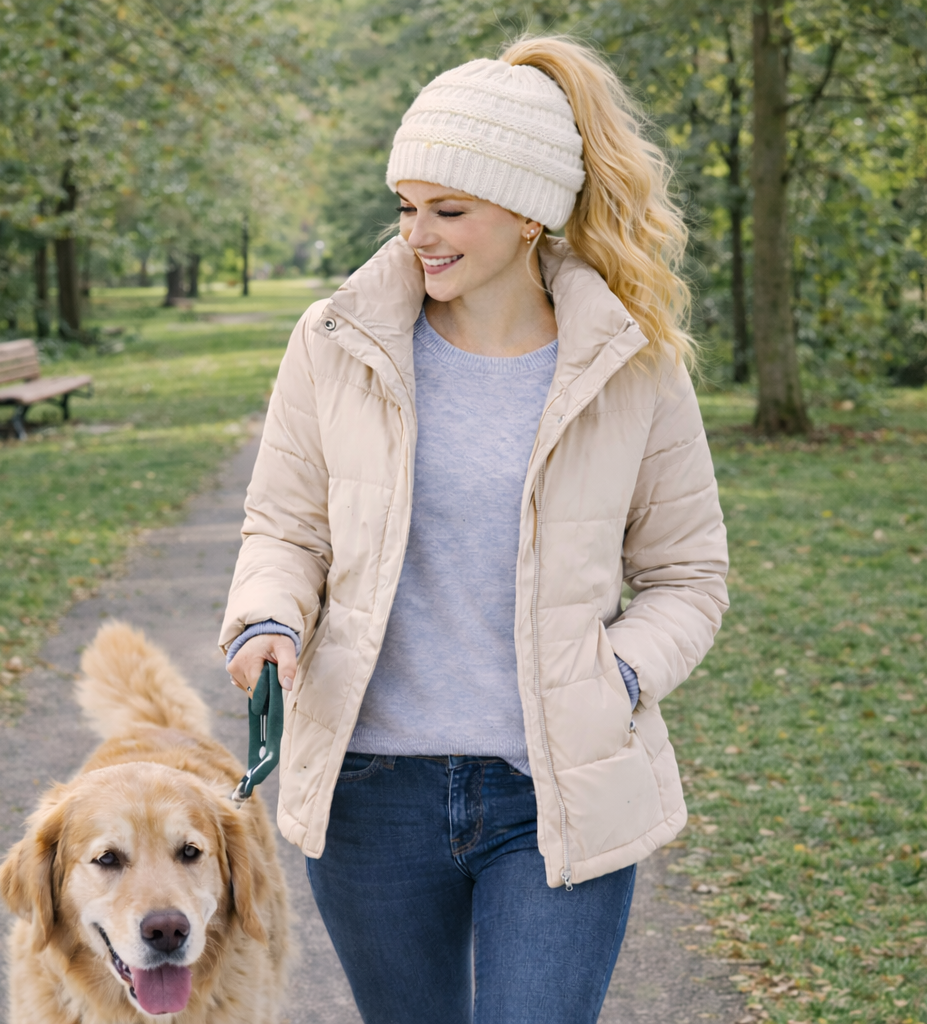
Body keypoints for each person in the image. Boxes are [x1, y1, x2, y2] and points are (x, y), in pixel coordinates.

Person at [220, 35, 729, 1024]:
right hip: (373, 791)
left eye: (448, 210)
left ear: (530, 214)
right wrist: (265, 618)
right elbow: (282, 527)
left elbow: (687, 576)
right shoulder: (335, 342)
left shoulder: (635, 363)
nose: (419, 234)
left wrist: (615, 674)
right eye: (407, 207)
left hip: (554, 787)